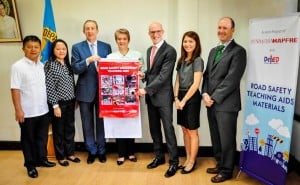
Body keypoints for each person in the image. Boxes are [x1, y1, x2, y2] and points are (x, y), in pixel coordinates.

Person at [201, 17, 247, 183]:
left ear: (233, 30)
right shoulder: (214, 50)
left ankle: (227, 171)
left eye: (225, 28)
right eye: (219, 27)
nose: (221, 30)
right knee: (216, 136)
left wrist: (213, 97)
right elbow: (207, 75)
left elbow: (232, 79)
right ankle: (220, 164)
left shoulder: (239, 51)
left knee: (227, 138)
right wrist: (205, 93)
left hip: (227, 104)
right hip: (210, 103)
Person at [10, 35, 56, 178]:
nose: (33, 49)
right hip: (27, 112)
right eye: (29, 47)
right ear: (23, 48)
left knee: (41, 138)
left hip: (43, 110)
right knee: (28, 140)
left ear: (40, 49)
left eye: (36, 47)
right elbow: (15, 89)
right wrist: (18, 110)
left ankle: (42, 159)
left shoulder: (43, 66)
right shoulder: (17, 66)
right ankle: (30, 165)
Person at [138, 22, 179, 178]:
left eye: (157, 31)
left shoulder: (170, 51)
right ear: (149, 33)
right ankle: (159, 157)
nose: (155, 34)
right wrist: (144, 75)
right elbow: (154, 72)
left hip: (163, 97)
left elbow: (164, 76)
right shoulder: (150, 50)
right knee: (154, 129)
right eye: (152, 32)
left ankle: (174, 162)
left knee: (168, 130)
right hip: (151, 97)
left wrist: (146, 89)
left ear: (163, 31)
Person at [71, 20, 112, 164]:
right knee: (87, 123)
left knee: (101, 122)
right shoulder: (77, 47)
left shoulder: (106, 47)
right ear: (84, 31)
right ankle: (91, 151)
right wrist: (88, 60)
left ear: (97, 30)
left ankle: (101, 150)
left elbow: (111, 68)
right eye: (87, 29)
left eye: (92, 28)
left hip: (103, 91)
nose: (90, 31)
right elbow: (75, 69)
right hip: (84, 91)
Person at [106, 28, 144, 165]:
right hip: (116, 96)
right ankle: (121, 154)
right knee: (119, 123)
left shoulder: (137, 55)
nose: (122, 41)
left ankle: (131, 152)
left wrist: (141, 73)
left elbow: (144, 74)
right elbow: (106, 76)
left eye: (124, 39)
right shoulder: (110, 57)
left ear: (129, 40)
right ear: (116, 40)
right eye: (119, 39)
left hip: (132, 95)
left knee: (131, 122)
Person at [45, 39, 81, 167]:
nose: (61, 51)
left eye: (64, 49)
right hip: (58, 104)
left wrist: (75, 98)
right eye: (58, 49)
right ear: (53, 51)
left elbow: (72, 84)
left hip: (70, 102)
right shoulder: (49, 65)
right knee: (59, 131)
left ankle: (70, 154)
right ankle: (60, 156)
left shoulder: (67, 64)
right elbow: (49, 87)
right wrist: (55, 106)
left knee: (69, 129)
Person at [173, 31, 204, 174]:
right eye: (185, 41)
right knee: (184, 129)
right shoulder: (181, 60)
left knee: (192, 131)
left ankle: (192, 161)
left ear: (196, 44)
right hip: (180, 96)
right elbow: (177, 80)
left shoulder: (198, 60)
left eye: (191, 41)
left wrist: (184, 100)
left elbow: (196, 84)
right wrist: (176, 98)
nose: (187, 44)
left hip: (191, 97)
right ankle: (187, 158)